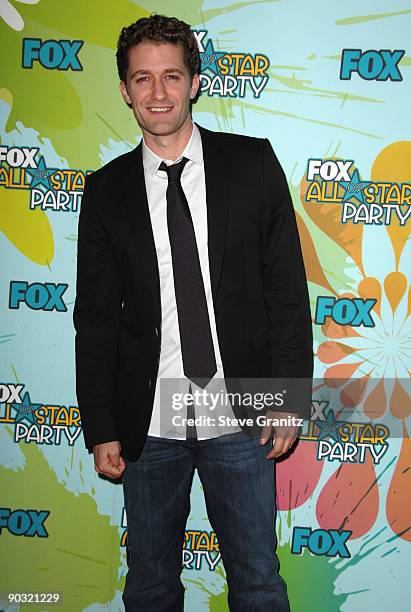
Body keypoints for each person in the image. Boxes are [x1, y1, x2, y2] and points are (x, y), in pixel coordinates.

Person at [73, 13, 313, 612]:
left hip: (240, 412)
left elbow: (285, 291)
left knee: (258, 581)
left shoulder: (252, 165)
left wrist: (286, 396)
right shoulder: (104, 192)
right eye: (143, 79)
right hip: (147, 423)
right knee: (150, 586)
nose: (159, 93)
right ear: (125, 90)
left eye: (172, 76)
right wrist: (101, 424)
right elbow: (96, 319)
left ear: (195, 81)